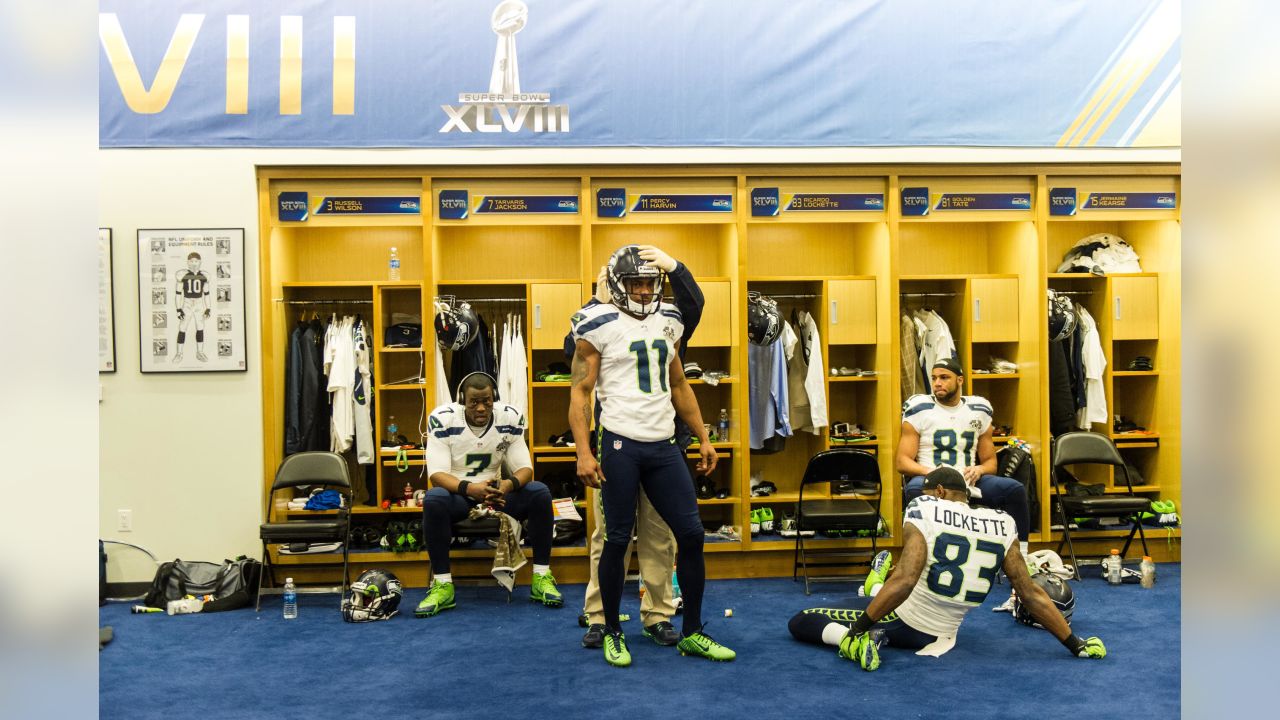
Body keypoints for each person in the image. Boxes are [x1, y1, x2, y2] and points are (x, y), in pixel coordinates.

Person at [569, 244, 734, 667]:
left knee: (692, 534)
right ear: (617, 285)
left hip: (663, 445)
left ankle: (692, 631)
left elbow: (679, 383)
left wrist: (704, 436)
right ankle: (610, 629)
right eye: (635, 283)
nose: (643, 290)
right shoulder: (595, 321)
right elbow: (580, 392)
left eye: (649, 282)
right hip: (620, 442)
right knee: (616, 538)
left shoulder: (670, 319)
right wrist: (584, 451)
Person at [788, 467, 1107, 670]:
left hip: (908, 620)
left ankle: (859, 639)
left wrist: (858, 629)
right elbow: (1030, 593)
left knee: (803, 619)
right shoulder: (1002, 522)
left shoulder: (924, 508)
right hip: (948, 626)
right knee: (876, 590)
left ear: (938, 491)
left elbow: (905, 579)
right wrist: (1074, 643)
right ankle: (871, 589)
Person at [415, 371, 562, 617]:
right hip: (460, 494)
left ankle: (541, 576)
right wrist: (471, 488)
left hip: (496, 493)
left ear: (494, 399)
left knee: (539, 492)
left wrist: (507, 485)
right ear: (462, 400)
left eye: (487, 401)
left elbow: (525, 468)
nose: (481, 408)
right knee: (434, 499)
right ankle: (442, 583)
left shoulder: (510, 417)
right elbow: (437, 474)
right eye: (474, 402)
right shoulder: (443, 419)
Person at [897, 356, 1031, 611]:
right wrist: (933, 472)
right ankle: (914, 567)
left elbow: (990, 461)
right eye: (934, 378)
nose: (937, 383)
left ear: (960, 380)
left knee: (1014, 490)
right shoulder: (918, 407)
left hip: (968, 481)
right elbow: (902, 462)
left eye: (944, 377)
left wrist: (979, 469)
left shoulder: (979, 409)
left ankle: (1022, 562)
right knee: (914, 489)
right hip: (930, 478)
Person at [172, 252, 210, 363]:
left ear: (200, 262)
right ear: (188, 262)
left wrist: (208, 308)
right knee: (182, 327)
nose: (194, 263)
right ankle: (179, 353)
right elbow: (178, 294)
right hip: (187, 303)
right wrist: (178, 309)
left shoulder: (204, 276)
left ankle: (200, 352)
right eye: (192, 261)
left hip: (199, 303)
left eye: (196, 261)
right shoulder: (182, 274)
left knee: (200, 327)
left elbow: (207, 294)